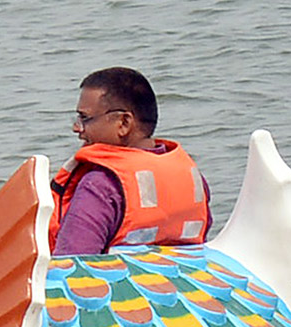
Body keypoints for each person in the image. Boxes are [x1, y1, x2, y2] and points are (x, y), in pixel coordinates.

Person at [49, 67, 210, 256]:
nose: (77, 128)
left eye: (84, 118)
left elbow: (71, 263)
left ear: (124, 123)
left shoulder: (99, 186)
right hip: (182, 280)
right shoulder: (192, 177)